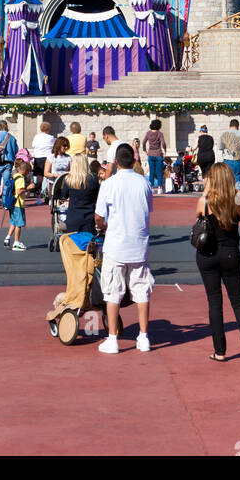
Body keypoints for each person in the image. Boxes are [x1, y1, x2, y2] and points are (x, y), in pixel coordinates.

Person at [194, 162, 240, 363]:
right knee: (238, 302)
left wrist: (207, 191)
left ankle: (219, 351)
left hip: (208, 254)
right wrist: (235, 191)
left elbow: (199, 216)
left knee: (214, 302)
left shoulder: (205, 202)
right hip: (230, 252)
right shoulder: (236, 199)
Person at [95, 142, 154, 354]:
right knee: (141, 291)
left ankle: (112, 338)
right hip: (139, 243)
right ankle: (144, 336)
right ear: (134, 160)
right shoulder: (144, 183)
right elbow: (148, 210)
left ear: (117, 162)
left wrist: (103, 225)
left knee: (112, 292)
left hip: (116, 244)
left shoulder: (109, 184)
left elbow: (99, 216)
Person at [62, 153, 99, 237]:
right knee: (88, 245)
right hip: (89, 217)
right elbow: (97, 196)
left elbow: (64, 195)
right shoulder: (94, 178)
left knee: (73, 245)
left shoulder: (69, 180)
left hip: (73, 217)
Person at [4, 159, 32, 252]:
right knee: (19, 224)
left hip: (12, 203)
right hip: (18, 203)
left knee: (13, 222)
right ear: (25, 171)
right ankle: (16, 242)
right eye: (28, 172)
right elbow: (19, 191)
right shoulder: (20, 178)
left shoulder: (14, 176)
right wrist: (27, 188)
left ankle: (7, 238)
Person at [219, 118, 240, 188]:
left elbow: (220, 147)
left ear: (229, 126)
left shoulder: (224, 135)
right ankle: (238, 198)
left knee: (226, 183)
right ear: (238, 126)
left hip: (227, 161)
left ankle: (226, 198)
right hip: (239, 161)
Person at [141, 118, 168, 194]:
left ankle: (151, 187)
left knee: (151, 172)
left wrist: (144, 150)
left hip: (150, 154)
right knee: (159, 172)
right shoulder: (160, 133)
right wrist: (165, 151)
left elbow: (143, 142)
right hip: (158, 154)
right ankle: (160, 188)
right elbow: (163, 143)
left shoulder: (148, 133)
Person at [30, 121, 55, 199]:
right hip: (47, 158)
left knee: (39, 176)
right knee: (47, 176)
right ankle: (47, 191)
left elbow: (33, 145)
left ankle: (39, 192)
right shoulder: (51, 138)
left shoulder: (37, 137)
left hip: (38, 157)